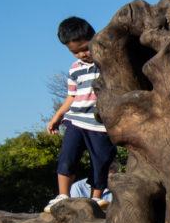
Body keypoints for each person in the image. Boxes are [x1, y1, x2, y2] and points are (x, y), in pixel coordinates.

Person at [45, 17, 118, 212]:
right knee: (67, 157)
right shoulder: (75, 68)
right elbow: (71, 96)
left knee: (101, 161)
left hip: (100, 125)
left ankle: (96, 198)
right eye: (75, 52)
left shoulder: (105, 61)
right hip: (76, 120)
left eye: (85, 48)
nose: (82, 54)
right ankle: (62, 195)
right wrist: (57, 116)